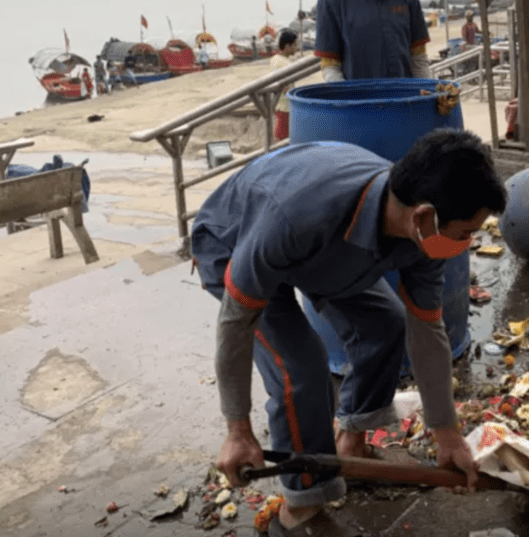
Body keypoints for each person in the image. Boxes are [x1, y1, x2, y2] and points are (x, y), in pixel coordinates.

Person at [190, 129, 507, 536]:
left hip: (322, 252)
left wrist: (448, 436)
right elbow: (235, 324)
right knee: (302, 368)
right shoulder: (298, 216)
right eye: (464, 233)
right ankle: (298, 513)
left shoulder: (421, 234)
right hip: (234, 241)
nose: (466, 243)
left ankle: (350, 443)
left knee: (385, 325)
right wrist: (238, 431)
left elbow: (427, 330)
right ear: (424, 217)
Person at [268, 29, 299, 141]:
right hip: (285, 106)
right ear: (287, 45)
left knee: (282, 137)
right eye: (295, 45)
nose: (297, 47)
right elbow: (284, 85)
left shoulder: (274, 59)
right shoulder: (284, 63)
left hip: (280, 105)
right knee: (282, 139)